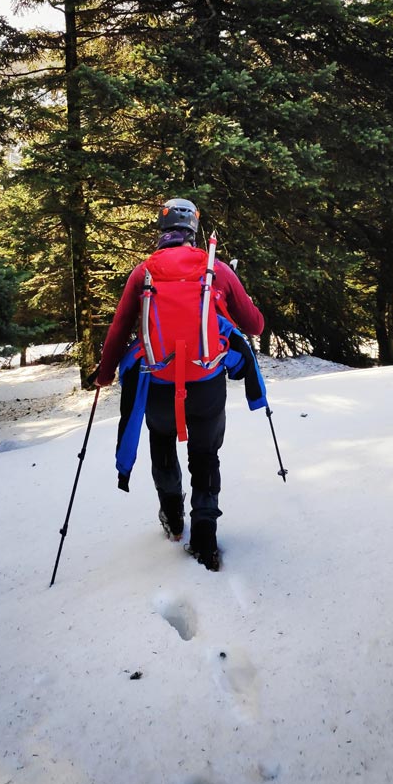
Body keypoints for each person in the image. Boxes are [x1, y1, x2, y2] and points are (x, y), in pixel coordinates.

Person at [95, 198, 264, 571]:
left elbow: (120, 327)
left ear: (162, 229)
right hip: (206, 382)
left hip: (158, 383)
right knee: (205, 454)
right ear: (193, 231)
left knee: (162, 442)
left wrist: (106, 373)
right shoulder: (214, 269)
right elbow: (253, 325)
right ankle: (205, 536)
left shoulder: (144, 273)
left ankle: (173, 520)